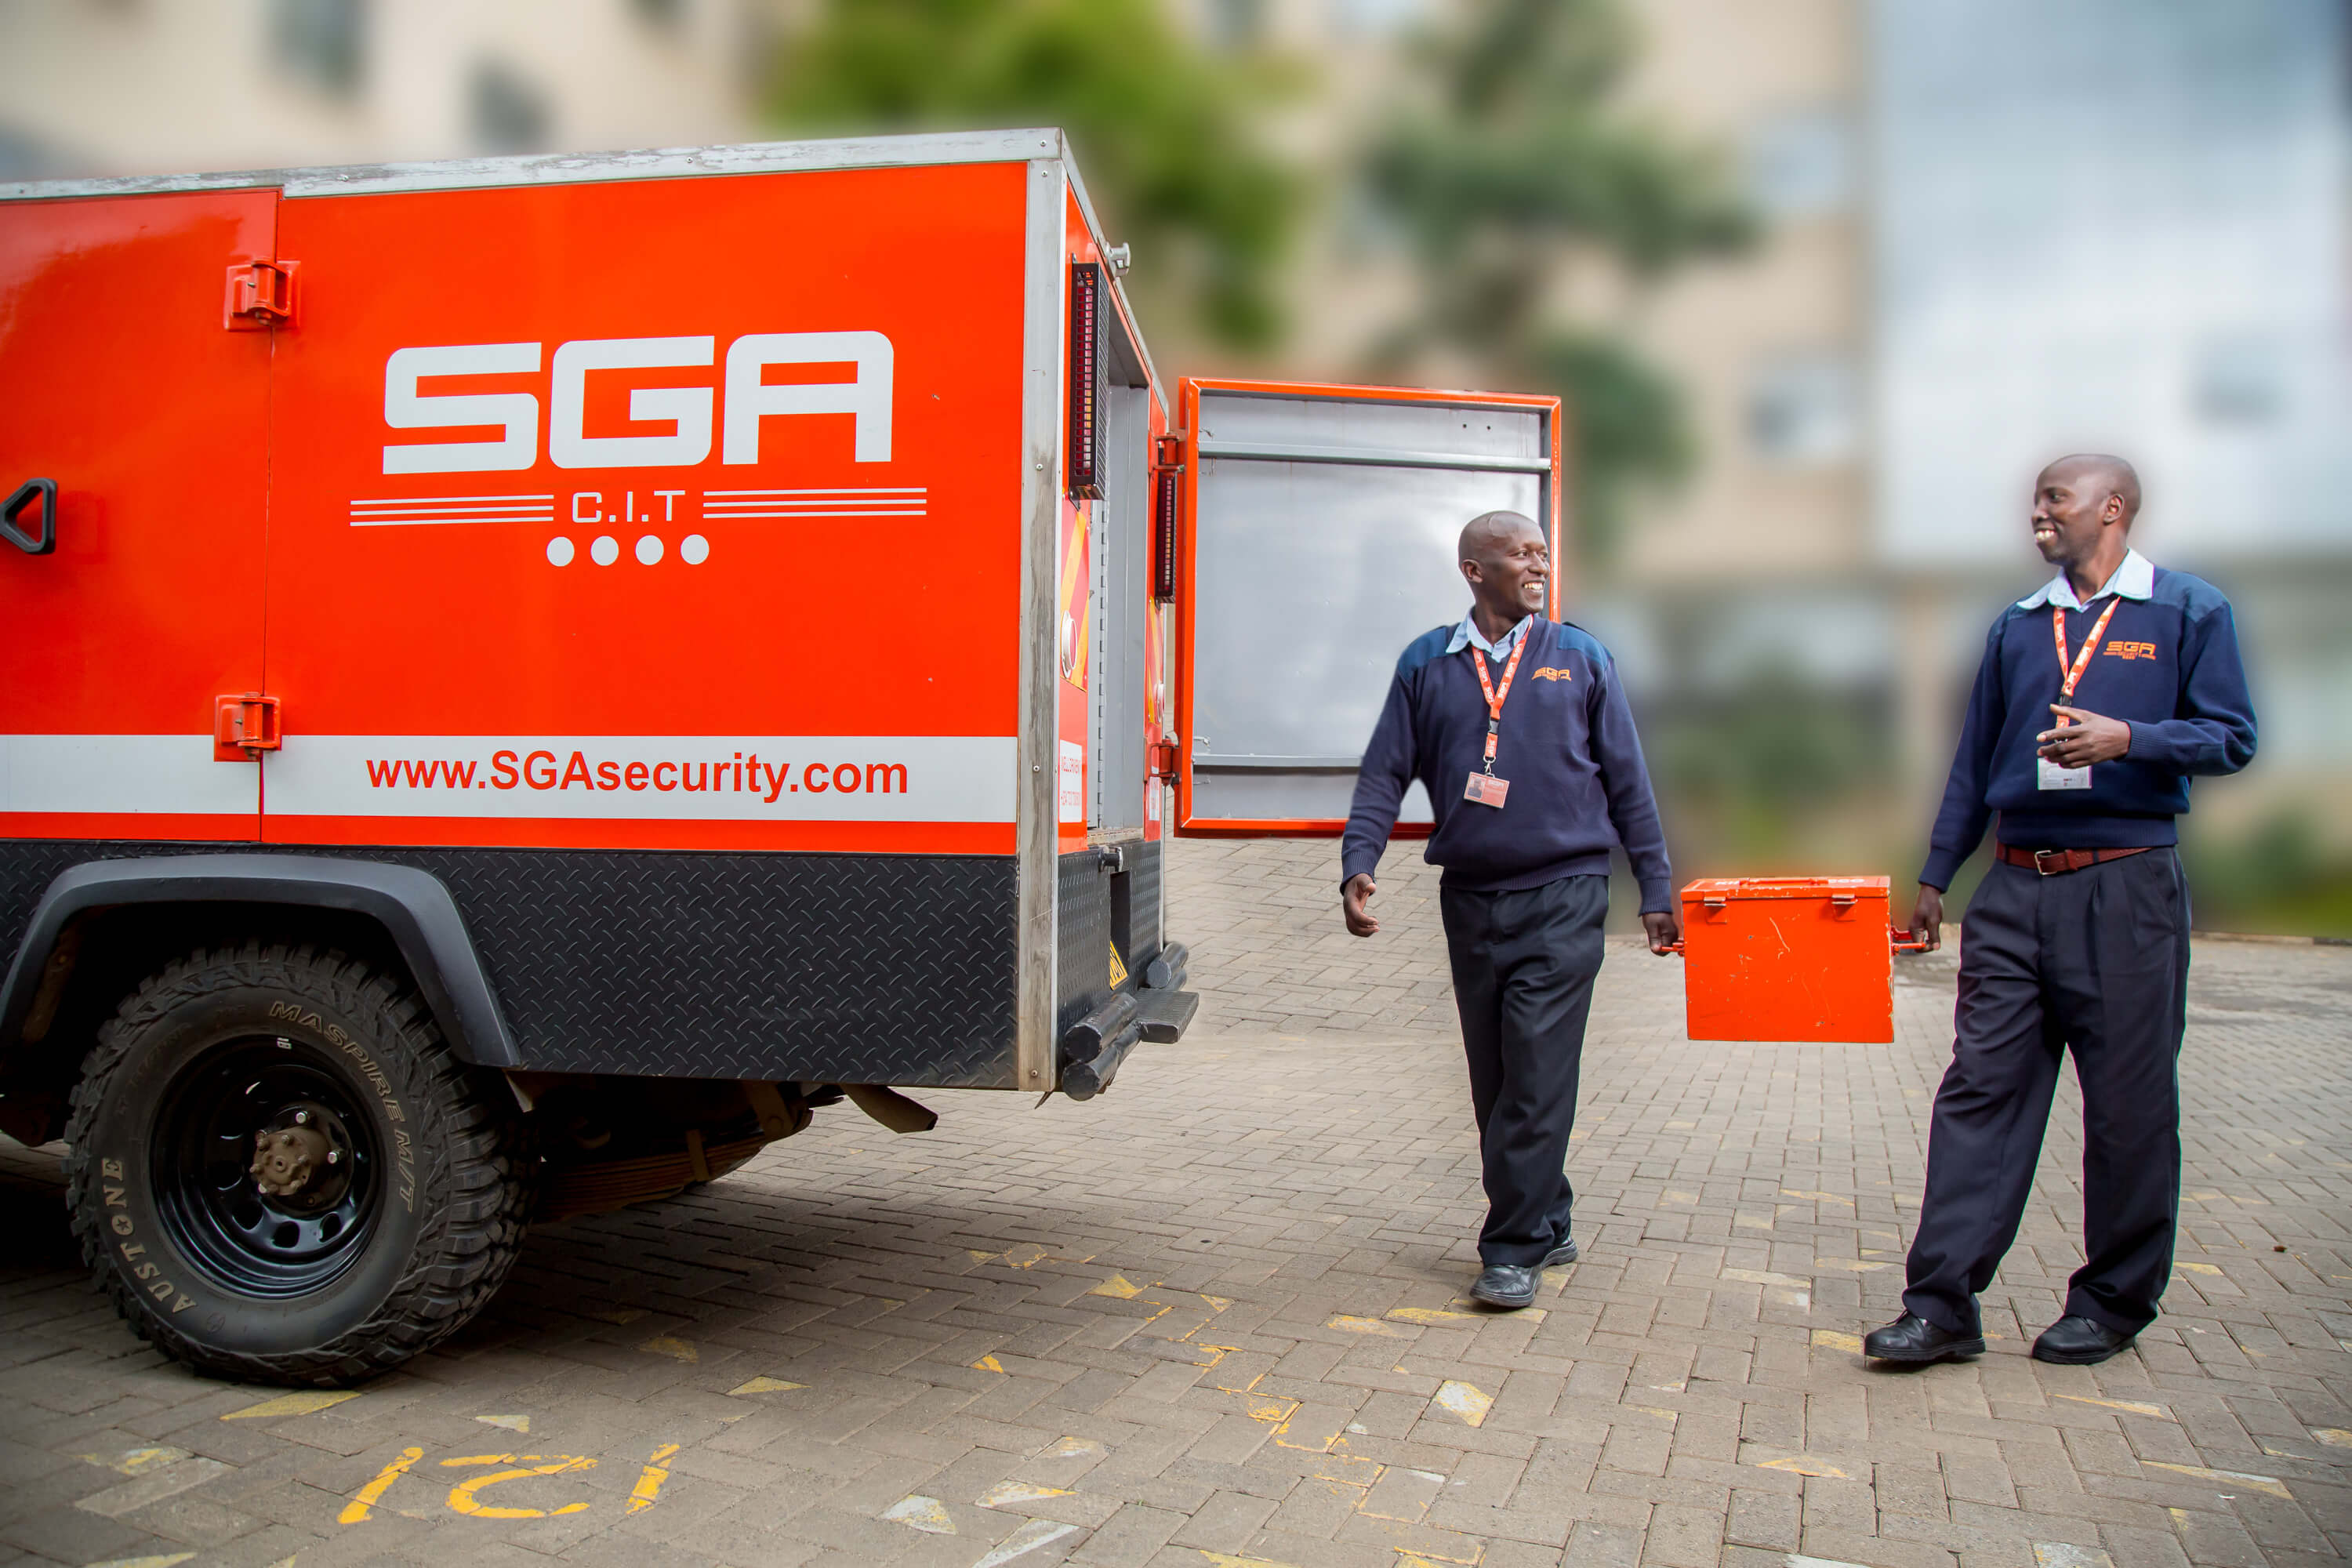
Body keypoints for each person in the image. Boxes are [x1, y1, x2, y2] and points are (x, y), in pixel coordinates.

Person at [1866, 455, 2256, 1368]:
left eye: (2056, 497)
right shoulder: (2018, 625)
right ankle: (1943, 1304)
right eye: (2038, 498)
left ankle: (2114, 1301)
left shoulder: (2187, 609)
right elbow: (1974, 756)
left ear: (2111, 509)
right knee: (1979, 1089)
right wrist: (1937, 875)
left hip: (2126, 885)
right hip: (2011, 889)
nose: (2038, 512)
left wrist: (2133, 739)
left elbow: (2232, 734)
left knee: (2127, 1105)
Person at [1341, 509, 1680, 1310]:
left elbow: (1628, 780)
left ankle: (1513, 1246)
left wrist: (1657, 890)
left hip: (1566, 894)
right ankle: (1548, 1213)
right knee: (1495, 1080)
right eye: (1521, 554)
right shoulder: (1428, 662)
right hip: (1470, 898)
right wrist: (1360, 861)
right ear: (1474, 570)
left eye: (1543, 553)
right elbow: (1384, 774)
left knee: (1534, 1069)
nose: (1539, 564)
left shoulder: (1581, 656)